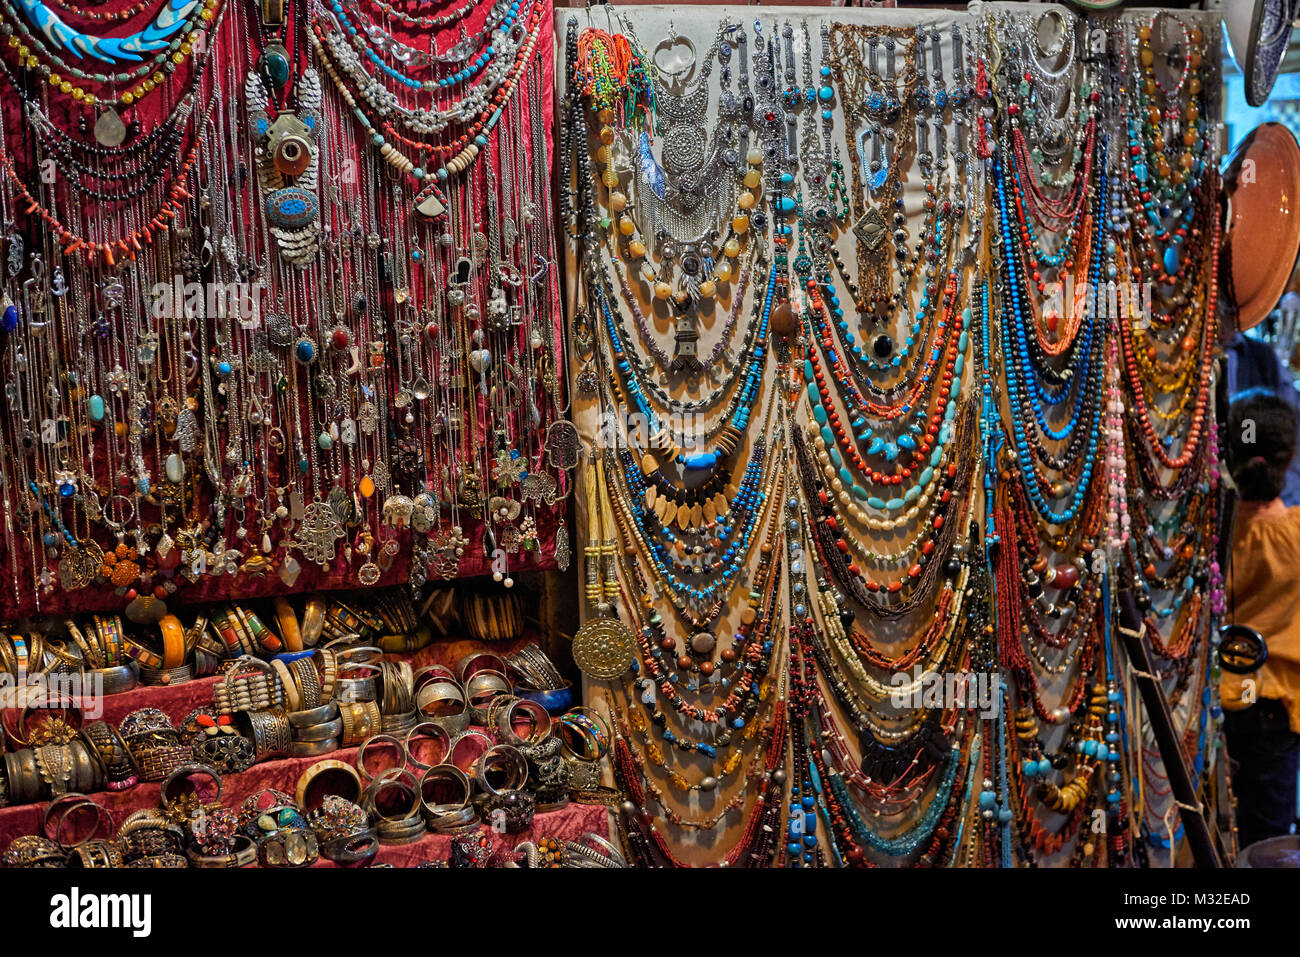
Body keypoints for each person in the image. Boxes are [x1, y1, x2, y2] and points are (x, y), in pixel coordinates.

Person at [1224, 392, 1300, 849]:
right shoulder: (1294, 533)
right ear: (1289, 460)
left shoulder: (1212, 532)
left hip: (1219, 708)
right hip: (1279, 709)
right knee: (1268, 843)